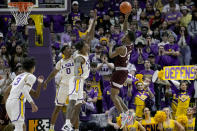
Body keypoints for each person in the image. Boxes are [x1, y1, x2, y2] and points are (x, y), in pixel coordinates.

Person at [62, 10, 97, 131]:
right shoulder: (79, 57)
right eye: (86, 45)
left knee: (78, 105)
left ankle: (72, 126)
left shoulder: (84, 51)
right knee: (72, 102)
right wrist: (77, 76)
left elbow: (90, 36)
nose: (89, 46)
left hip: (80, 80)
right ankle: (67, 124)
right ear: (82, 47)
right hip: (76, 79)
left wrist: (94, 21)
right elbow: (77, 68)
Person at [108, 11, 136, 128]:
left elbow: (110, 56)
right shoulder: (131, 44)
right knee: (117, 95)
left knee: (113, 96)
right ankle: (128, 113)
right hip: (123, 71)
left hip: (119, 72)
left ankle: (124, 116)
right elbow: (126, 29)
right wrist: (126, 18)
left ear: (128, 38)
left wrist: (110, 47)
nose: (123, 35)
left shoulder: (121, 48)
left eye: (125, 36)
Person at [4, 57, 44, 131]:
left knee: (23, 126)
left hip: (9, 102)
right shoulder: (31, 76)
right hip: (17, 102)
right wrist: (33, 104)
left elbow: (6, 92)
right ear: (33, 67)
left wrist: (39, 84)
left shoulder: (18, 77)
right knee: (19, 128)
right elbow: (24, 91)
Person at [43, 45, 74, 131]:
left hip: (73, 86)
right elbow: (53, 73)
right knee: (57, 108)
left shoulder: (74, 58)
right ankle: (51, 128)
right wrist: (46, 82)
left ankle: (73, 127)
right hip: (63, 86)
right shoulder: (60, 62)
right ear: (63, 52)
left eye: (70, 48)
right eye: (68, 48)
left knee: (74, 108)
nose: (70, 49)